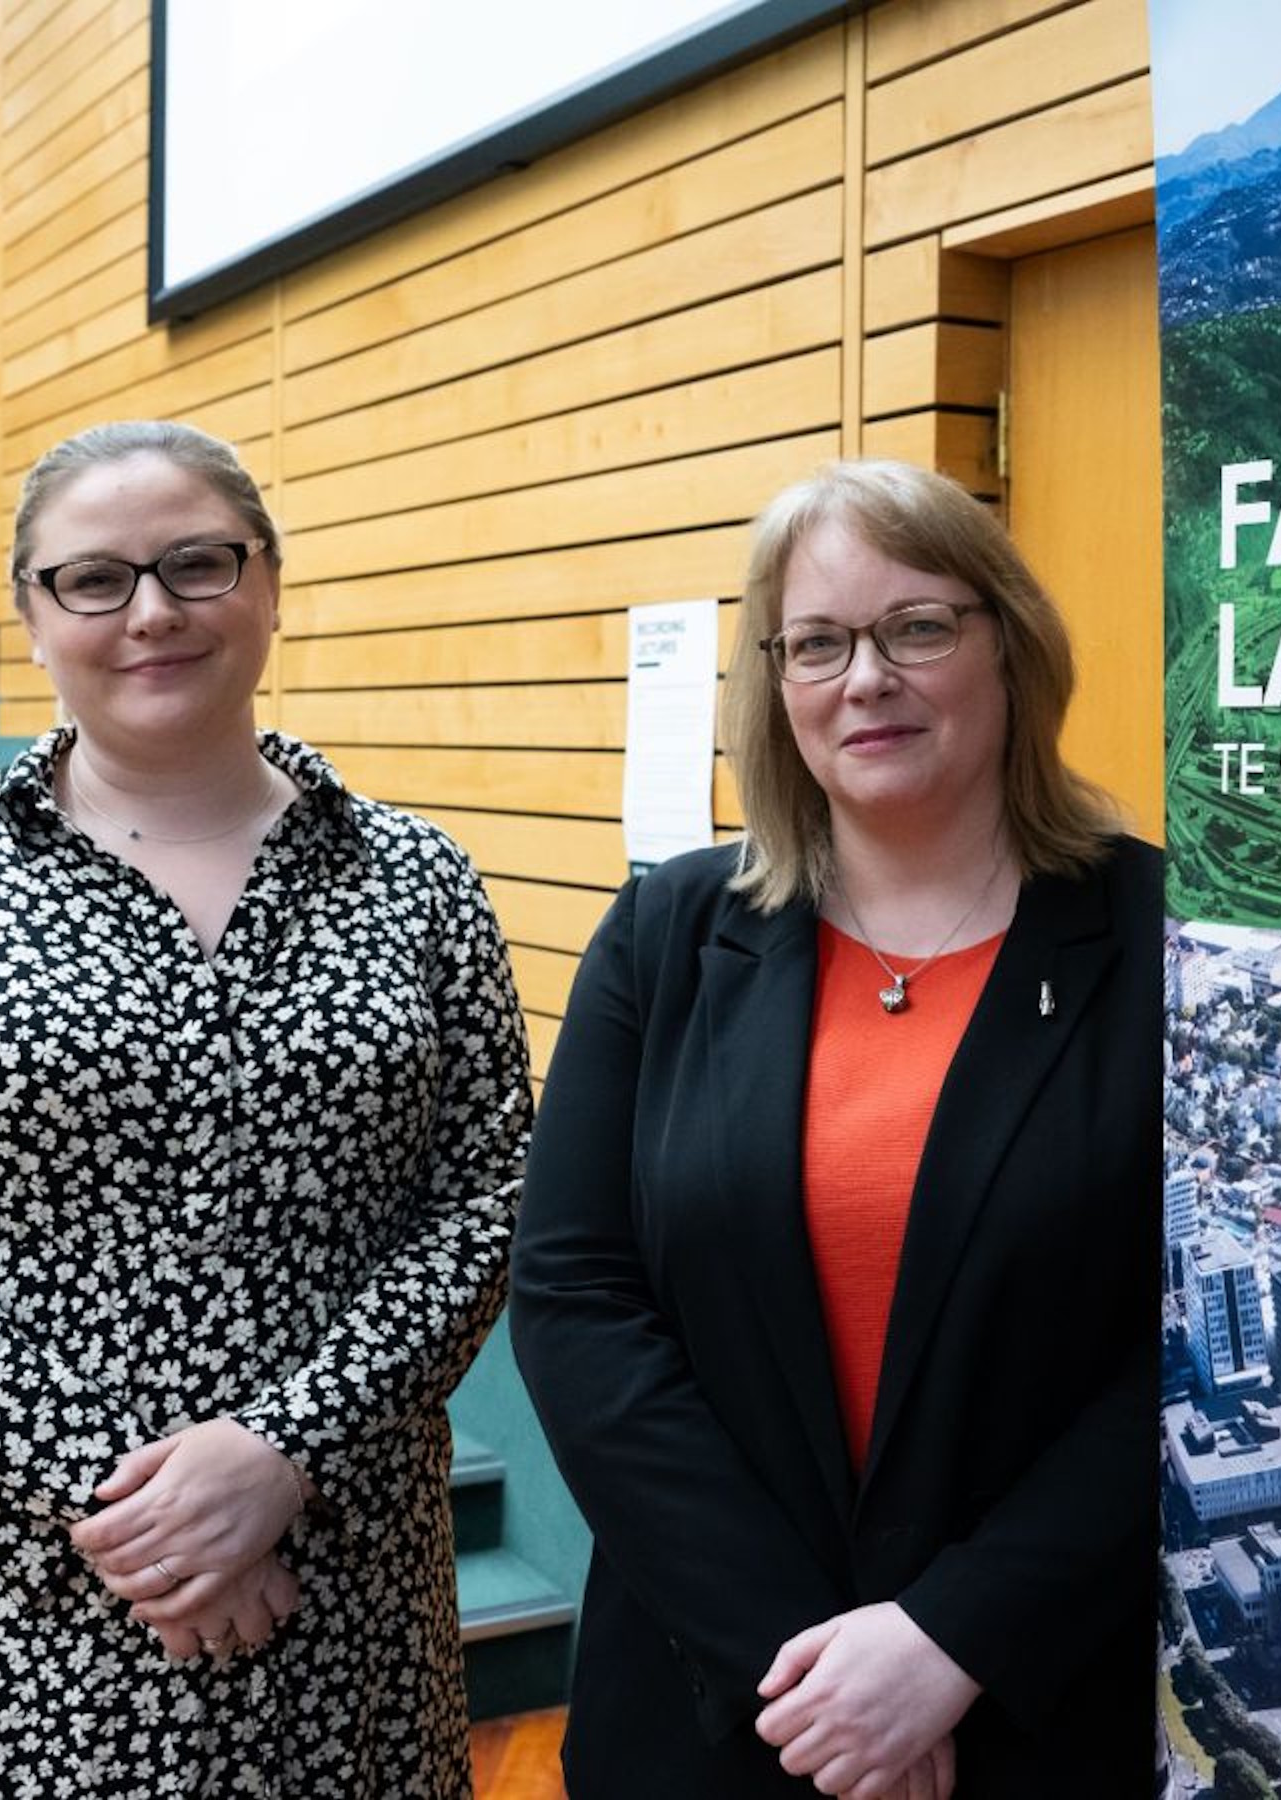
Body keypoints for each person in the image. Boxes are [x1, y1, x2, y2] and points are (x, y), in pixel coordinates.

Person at [0, 420, 531, 1797]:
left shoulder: (417, 878)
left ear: (270, 584)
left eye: (197, 564)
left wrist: (283, 1452)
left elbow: (486, 1205)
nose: (153, 612)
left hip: (335, 1589)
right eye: (95, 580)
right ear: (33, 618)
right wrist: (143, 1510)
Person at [510, 459, 1158, 1797]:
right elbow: (575, 1301)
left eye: (918, 627)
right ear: (776, 683)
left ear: (1009, 647)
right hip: (712, 1708)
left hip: (1033, 1709)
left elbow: (1189, 1352)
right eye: (818, 643)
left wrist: (950, 1639)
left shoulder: (1160, 945)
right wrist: (803, 1665)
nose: (866, 678)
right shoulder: (668, 938)